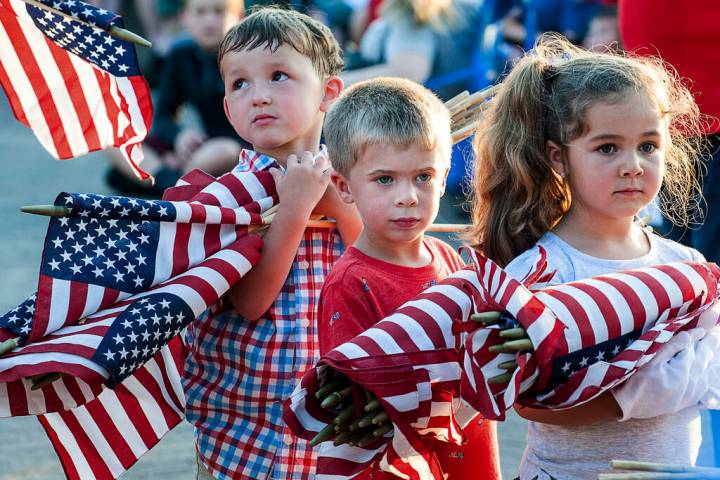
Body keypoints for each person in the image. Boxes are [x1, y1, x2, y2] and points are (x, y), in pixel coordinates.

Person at [466, 36, 720, 479]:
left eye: (648, 145)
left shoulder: (686, 264)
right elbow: (537, 405)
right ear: (558, 158)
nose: (633, 165)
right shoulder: (540, 272)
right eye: (607, 148)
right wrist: (658, 386)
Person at [181, 7, 362, 479]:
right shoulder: (228, 196)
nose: (258, 96)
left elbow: (373, 265)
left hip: (332, 418)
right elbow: (250, 302)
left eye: (278, 76)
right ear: (226, 108)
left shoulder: (353, 180)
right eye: (239, 84)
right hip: (249, 431)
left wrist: (339, 206)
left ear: (328, 92)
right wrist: (297, 208)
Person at [318, 77, 502, 479]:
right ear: (343, 186)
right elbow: (351, 408)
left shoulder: (450, 260)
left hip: (469, 454)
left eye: (423, 176)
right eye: (385, 179)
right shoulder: (350, 283)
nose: (408, 196)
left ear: (445, 173)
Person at [106, 0, 243, 196]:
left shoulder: (244, 58)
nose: (210, 21)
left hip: (233, 147)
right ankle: (172, 184)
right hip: (199, 147)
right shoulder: (180, 54)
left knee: (225, 151)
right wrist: (179, 136)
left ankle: (161, 183)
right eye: (201, 12)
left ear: (239, 17)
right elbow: (163, 116)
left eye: (219, 12)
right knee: (114, 139)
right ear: (184, 17)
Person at [341, 0, 480, 100]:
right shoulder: (461, 7)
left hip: (403, 116)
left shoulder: (414, 8)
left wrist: (336, 82)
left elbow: (409, 70)